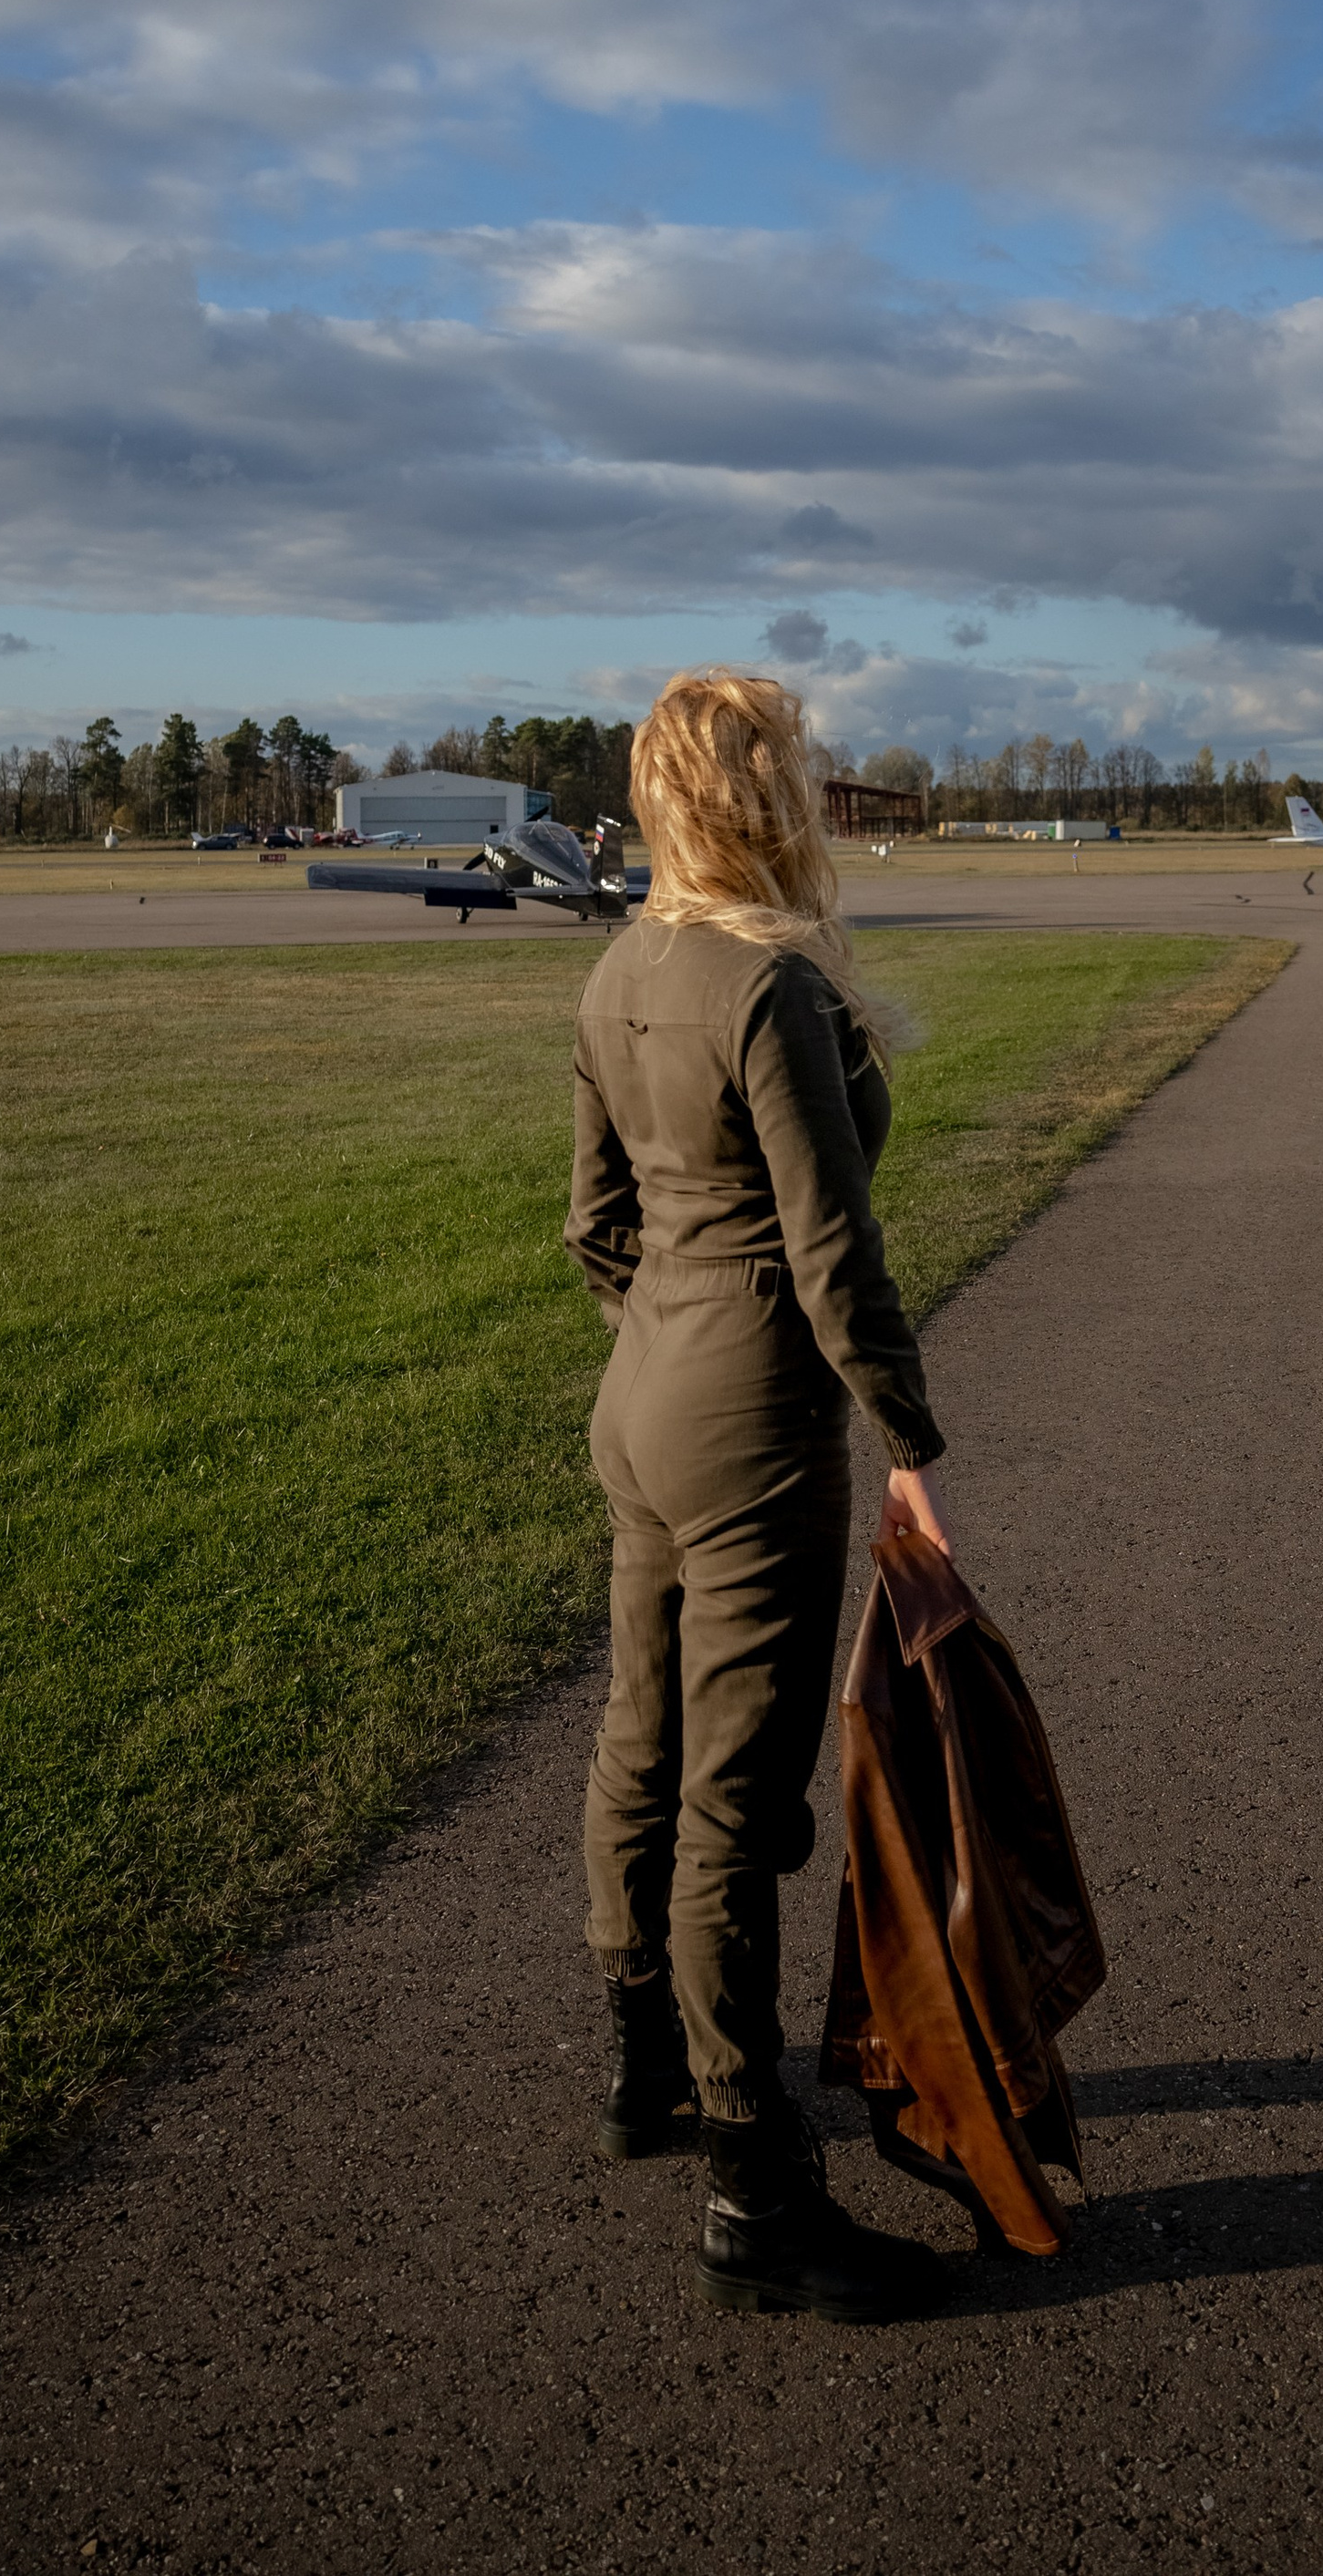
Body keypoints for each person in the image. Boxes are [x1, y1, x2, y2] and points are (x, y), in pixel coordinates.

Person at [566, 667, 954, 2322]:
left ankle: (642, 2056)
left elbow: (592, 1224)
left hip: (640, 1401)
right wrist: (915, 1444)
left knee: (638, 1744)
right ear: (762, 799)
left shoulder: (618, 967)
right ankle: (751, 2184)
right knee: (735, 1802)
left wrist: (663, 1329)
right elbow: (831, 1250)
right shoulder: (763, 989)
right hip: (747, 1422)